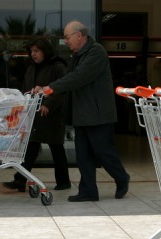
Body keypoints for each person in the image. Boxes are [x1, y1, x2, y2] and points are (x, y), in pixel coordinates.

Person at [39, 20, 130, 202]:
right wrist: (45, 88)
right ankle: (88, 191)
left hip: (98, 114)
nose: (66, 42)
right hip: (82, 114)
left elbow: (79, 77)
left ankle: (122, 178)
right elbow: (70, 78)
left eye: (67, 38)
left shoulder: (96, 52)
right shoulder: (78, 55)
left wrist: (51, 87)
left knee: (104, 153)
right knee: (83, 155)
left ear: (79, 35)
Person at [3, 37, 71, 192]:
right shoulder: (32, 67)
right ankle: (20, 180)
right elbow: (27, 87)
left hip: (51, 115)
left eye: (36, 51)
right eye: (31, 51)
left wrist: (49, 104)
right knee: (30, 148)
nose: (33, 54)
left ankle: (63, 181)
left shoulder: (57, 66)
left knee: (56, 148)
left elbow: (63, 89)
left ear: (44, 51)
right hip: (34, 114)